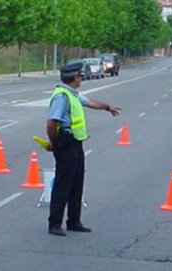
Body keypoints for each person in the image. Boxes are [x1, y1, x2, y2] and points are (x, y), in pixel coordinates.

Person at [45, 62, 121, 237]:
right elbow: (51, 122)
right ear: (73, 78)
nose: (81, 78)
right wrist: (54, 143)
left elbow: (90, 103)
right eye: (80, 76)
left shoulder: (72, 94)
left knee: (76, 183)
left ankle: (74, 221)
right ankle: (55, 223)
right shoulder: (61, 96)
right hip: (65, 143)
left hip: (76, 143)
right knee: (63, 185)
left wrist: (107, 107)